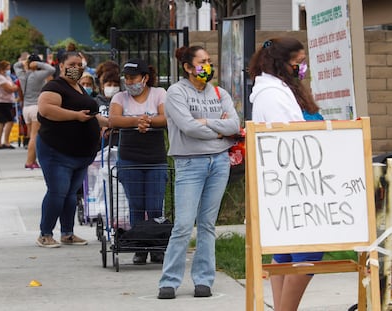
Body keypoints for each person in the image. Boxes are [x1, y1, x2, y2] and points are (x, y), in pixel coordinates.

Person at [248, 37, 324, 311]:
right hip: (292, 182)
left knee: (288, 253)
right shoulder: (272, 95)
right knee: (307, 254)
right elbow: (289, 139)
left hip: (292, 182)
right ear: (283, 63)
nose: (302, 68)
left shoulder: (279, 90)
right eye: (298, 62)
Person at [157, 46, 240, 299]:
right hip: (189, 163)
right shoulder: (176, 92)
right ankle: (169, 281)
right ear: (188, 66)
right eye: (202, 61)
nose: (207, 65)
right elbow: (187, 127)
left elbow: (235, 124)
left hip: (219, 161)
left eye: (209, 61)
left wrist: (206, 123)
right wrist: (218, 130)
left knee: (207, 224)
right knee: (183, 224)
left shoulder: (219, 92)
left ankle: (204, 280)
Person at [36, 51, 108, 248]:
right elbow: (46, 109)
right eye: (72, 64)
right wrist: (75, 116)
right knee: (57, 192)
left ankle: (67, 232)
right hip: (56, 151)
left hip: (80, 154)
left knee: (70, 195)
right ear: (61, 66)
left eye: (80, 64)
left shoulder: (79, 88)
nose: (77, 68)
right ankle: (45, 233)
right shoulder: (54, 87)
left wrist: (108, 123)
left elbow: (91, 115)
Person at [108, 58, 167, 265]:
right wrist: (136, 121)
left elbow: (166, 117)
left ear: (145, 78)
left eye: (133, 77)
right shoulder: (120, 97)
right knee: (136, 205)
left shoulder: (159, 94)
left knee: (154, 205)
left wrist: (147, 121)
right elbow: (114, 120)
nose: (129, 81)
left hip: (155, 158)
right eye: (127, 77)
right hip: (130, 157)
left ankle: (157, 245)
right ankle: (139, 246)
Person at [14, 53, 55, 169]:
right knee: (35, 136)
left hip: (26, 108)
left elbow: (15, 66)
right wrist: (38, 64)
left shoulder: (22, 75)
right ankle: (30, 161)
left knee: (31, 135)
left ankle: (32, 160)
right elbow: (51, 69)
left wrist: (24, 63)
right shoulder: (38, 75)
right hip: (36, 107)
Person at [0, 60, 20, 150]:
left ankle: (0, 143)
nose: (9, 69)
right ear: (3, 68)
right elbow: (9, 89)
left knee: (1, 122)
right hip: (2, 102)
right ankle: (5, 142)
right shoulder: (0, 78)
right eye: (8, 67)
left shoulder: (5, 76)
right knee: (9, 121)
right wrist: (16, 87)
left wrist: (14, 87)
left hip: (5, 101)